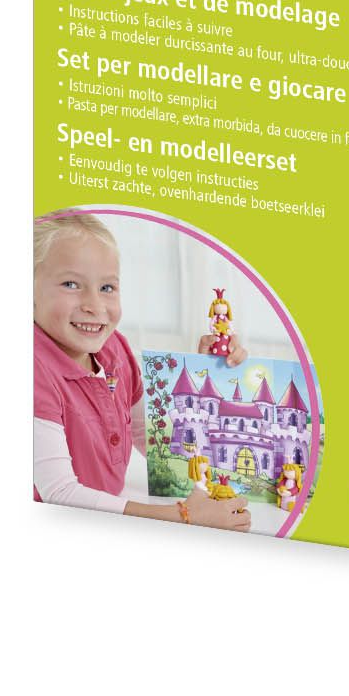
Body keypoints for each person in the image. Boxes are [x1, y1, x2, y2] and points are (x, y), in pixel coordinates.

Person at [31, 212, 250, 531]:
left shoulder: (114, 349)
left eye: (107, 287)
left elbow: (149, 437)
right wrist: (184, 516)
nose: (94, 305)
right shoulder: (33, 370)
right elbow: (59, 494)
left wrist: (206, 375)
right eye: (71, 284)